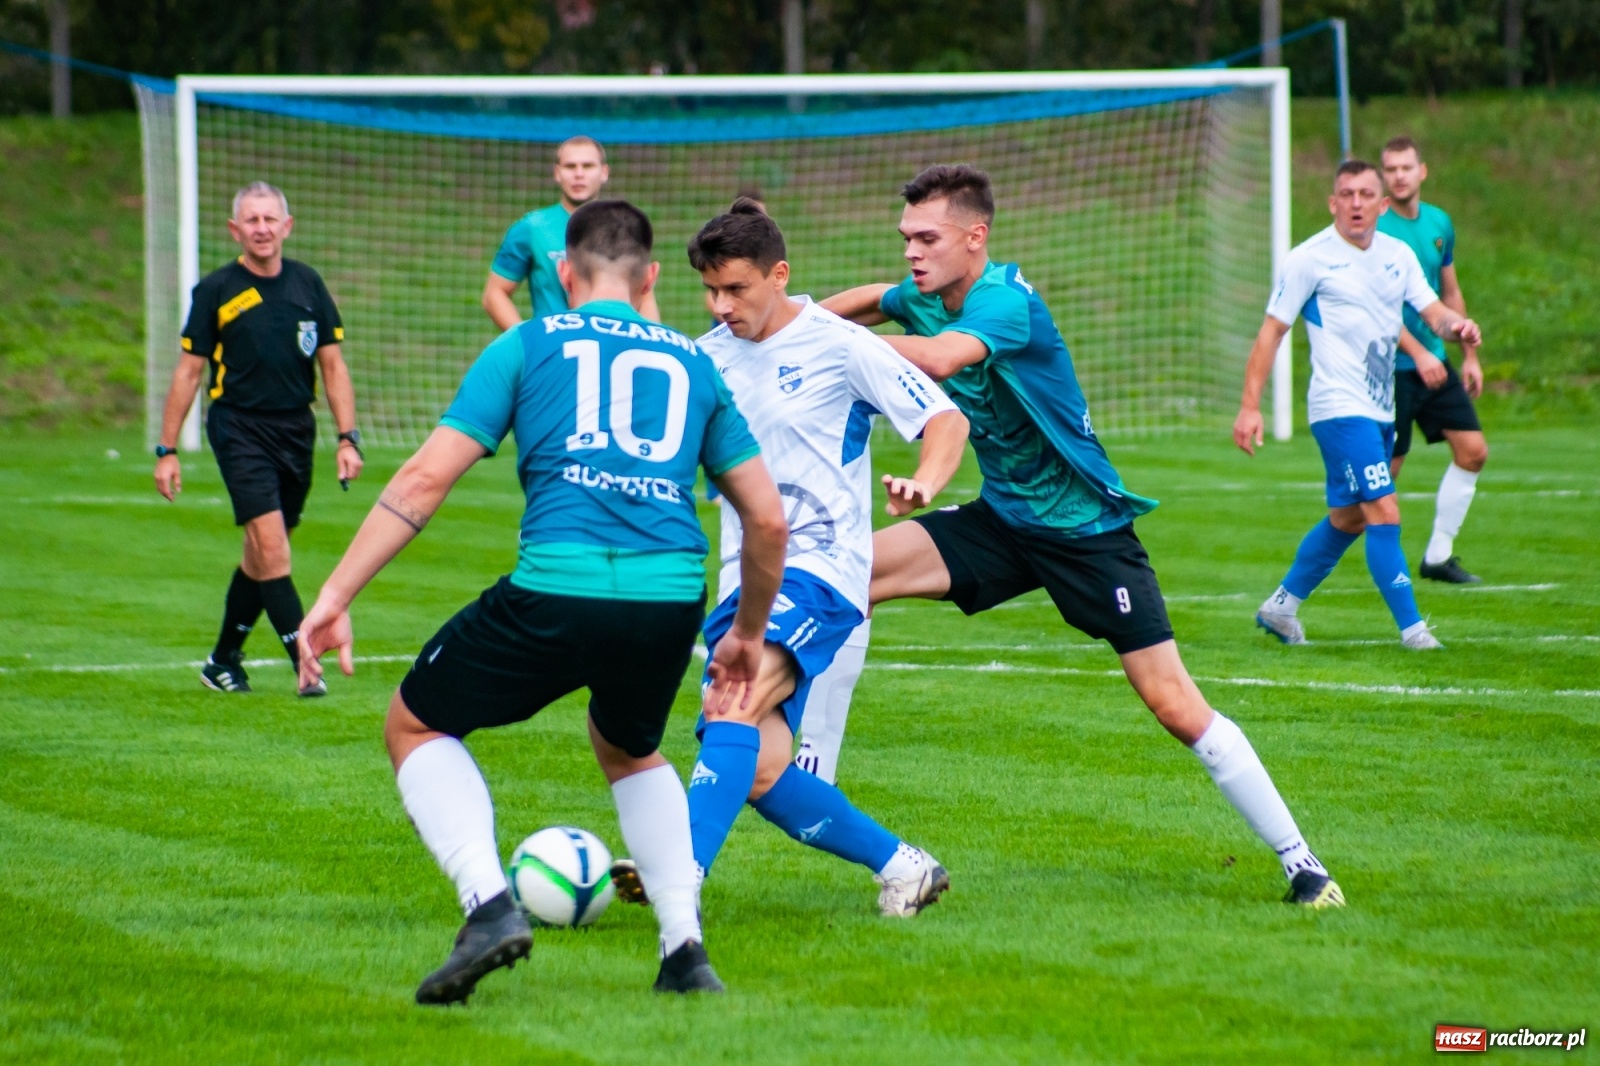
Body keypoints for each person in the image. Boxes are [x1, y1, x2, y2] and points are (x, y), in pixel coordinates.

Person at [296, 200, 790, 1002]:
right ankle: (685, 952)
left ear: (563, 273)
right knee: (629, 747)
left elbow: (425, 480)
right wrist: (745, 634)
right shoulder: (695, 363)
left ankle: (489, 909)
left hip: (558, 583)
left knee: (415, 723)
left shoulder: (524, 344)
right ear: (651, 277)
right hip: (669, 594)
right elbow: (767, 518)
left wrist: (335, 594)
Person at [820, 164, 1345, 907]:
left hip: (1087, 534)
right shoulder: (926, 293)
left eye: (927, 237)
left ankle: (1304, 865)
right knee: (852, 573)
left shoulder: (1004, 303)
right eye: (906, 236)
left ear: (976, 237)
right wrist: (802, 321)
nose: (911, 250)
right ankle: (813, 771)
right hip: (1004, 520)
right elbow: (875, 300)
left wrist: (812, 338)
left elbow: (938, 360)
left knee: (1172, 703)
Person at [615, 198, 969, 920]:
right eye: (709, 290)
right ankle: (906, 866)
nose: (720, 306)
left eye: (736, 289)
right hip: (745, 582)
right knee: (762, 765)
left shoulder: (839, 344)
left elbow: (943, 416)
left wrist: (926, 479)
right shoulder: (704, 358)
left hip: (823, 571)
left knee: (730, 698)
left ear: (779, 275)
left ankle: (676, 872)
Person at [1238, 160, 1483, 648]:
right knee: (1383, 509)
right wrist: (1250, 405)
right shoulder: (1309, 258)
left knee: (1350, 516)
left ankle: (1281, 607)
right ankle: (1414, 631)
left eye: (1365, 195)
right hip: (1337, 407)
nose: (1355, 203)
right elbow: (1272, 331)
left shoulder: (1397, 254)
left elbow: (1430, 311)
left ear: (1382, 205)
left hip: (1380, 408)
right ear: (1333, 203)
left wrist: (1457, 327)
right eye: (1346, 194)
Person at [152, 181, 363, 697]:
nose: (262, 228)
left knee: (263, 555)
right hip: (238, 428)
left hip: (296, 431)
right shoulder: (216, 290)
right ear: (235, 230)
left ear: (287, 226)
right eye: (252, 220)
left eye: (271, 219)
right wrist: (168, 449)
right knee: (273, 550)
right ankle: (306, 662)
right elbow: (187, 373)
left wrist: (347, 437)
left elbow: (332, 366)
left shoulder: (309, 285)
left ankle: (223, 661)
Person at [1378, 135, 1488, 584]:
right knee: (1384, 477)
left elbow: (1450, 293)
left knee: (1473, 451)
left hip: (1437, 364)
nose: (1399, 175)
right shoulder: (1378, 231)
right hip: (1394, 371)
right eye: (1391, 169)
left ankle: (1438, 557)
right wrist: (1420, 352)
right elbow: (1380, 309)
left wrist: (1470, 356)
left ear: (1422, 171)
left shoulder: (1439, 222)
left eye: (1406, 167)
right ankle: (1343, 552)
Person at [481, 135, 660, 329]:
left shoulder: (625, 225)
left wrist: (651, 348)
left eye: (588, 166)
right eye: (570, 166)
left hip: (613, 347)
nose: (579, 174)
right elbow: (495, 293)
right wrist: (532, 344)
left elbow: (645, 294)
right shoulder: (532, 227)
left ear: (604, 172)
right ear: (557, 173)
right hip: (555, 350)